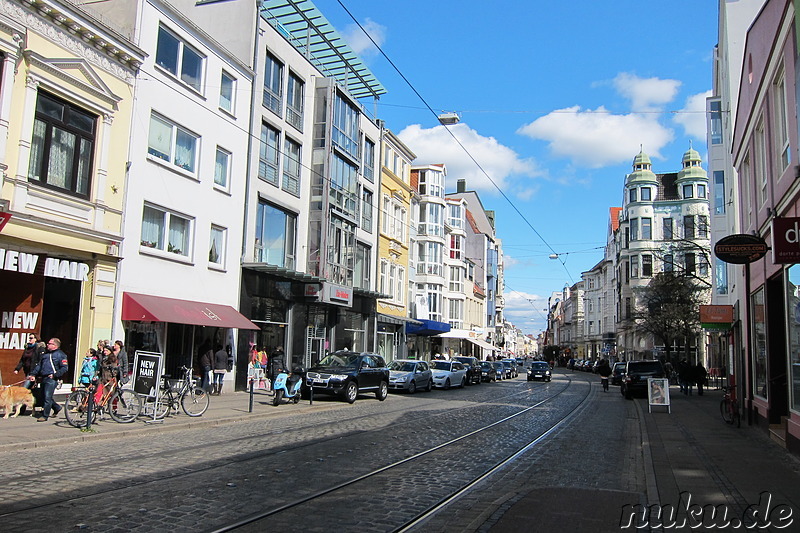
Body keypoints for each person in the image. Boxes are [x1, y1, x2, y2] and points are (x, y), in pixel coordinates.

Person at [28, 338, 69, 422]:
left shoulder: (60, 355)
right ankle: (57, 407)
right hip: (44, 377)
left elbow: (64, 368)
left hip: (52, 379)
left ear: (55, 346)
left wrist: (55, 375)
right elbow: (39, 366)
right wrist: (33, 374)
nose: (47, 345)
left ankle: (44, 415)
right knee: (43, 396)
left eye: (50, 343)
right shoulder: (45, 354)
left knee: (47, 397)